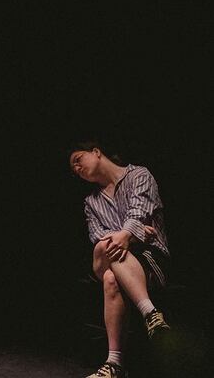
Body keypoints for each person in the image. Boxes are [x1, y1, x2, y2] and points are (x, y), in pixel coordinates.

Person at [69, 141, 171, 378]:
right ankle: (151, 314)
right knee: (108, 248)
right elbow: (98, 237)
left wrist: (126, 234)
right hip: (106, 256)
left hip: (150, 258)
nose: (76, 169)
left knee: (111, 278)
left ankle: (114, 364)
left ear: (96, 152)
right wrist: (131, 233)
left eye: (78, 160)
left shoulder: (139, 175)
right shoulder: (91, 202)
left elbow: (138, 212)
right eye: (73, 169)